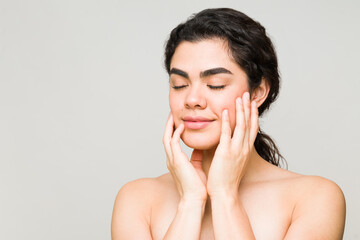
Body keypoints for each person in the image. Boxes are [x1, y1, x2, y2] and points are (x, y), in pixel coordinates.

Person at [111, 8, 346, 239]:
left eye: (215, 84)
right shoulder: (136, 200)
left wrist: (225, 195)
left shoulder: (314, 199)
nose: (192, 100)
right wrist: (190, 203)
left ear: (258, 92)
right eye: (179, 84)